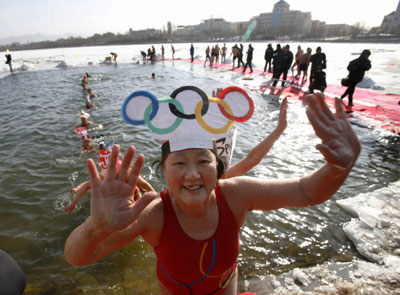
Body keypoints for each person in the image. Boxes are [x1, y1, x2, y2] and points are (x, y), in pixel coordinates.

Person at [64, 92, 360, 295]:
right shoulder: (153, 214)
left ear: (217, 167)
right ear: (164, 170)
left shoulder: (237, 193)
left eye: (203, 161)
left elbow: (305, 191)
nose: (192, 174)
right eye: (179, 163)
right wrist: (96, 227)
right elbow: (79, 257)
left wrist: (337, 168)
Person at [66, 144, 155, 213]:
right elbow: (87, 184)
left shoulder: (129, 174)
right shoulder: (105, 177)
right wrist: (74, 201)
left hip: (134, 194)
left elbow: (146, 185)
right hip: (116, 199)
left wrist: (157, 198)